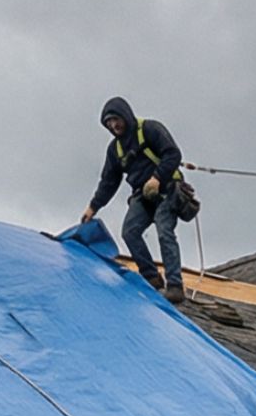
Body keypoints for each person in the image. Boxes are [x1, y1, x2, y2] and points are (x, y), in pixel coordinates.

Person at [80, 96, 188, 303]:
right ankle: (151, 277)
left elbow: (173, 154)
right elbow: (109, 182)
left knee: (165, 231)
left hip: (167, 188)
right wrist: (93, 207)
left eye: (115, 119)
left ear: (126, 115)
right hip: (142, 194)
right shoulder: (115, 149)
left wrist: (157, 178)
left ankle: (175, 285)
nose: (113, 125)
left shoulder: (150, 129)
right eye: (108, 123)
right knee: (130, 232)